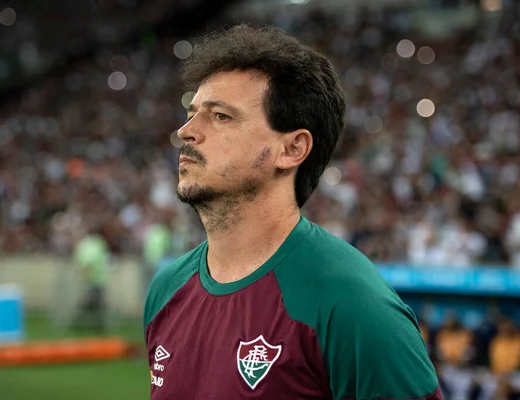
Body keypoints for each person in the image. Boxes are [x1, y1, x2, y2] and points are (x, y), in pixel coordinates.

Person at [144, 24, 441, 399]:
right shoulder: (166, 290)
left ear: (292, 149)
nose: (187, 131)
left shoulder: (352, 304)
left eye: (220, 116)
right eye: (192, 112)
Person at [72, 231, 109, 332]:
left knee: (93, 303)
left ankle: (80, 324)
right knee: (95, 304)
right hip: (96, 279)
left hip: (93, 280)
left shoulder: (87, 245)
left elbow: (87, 262)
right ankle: (84, 324)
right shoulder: (97, 245)